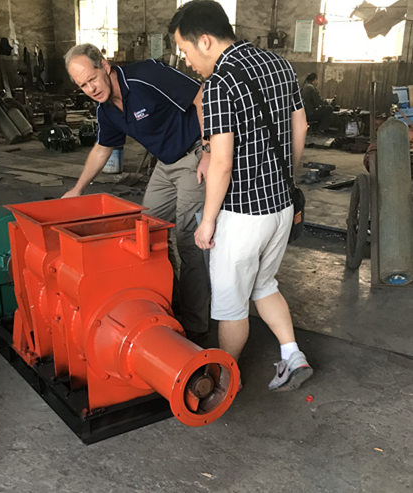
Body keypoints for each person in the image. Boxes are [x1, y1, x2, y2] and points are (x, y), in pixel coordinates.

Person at [169, 0, 313, 391]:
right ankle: (292, 355)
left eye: (184, 50)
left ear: (204, 40)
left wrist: (208, 221)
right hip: (282, 207)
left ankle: (221, 381)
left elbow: (221, 162)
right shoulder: (279, 64)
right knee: (264, 284)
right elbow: (300, 127)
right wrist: (284, 176)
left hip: (243, 214)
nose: (187, 61)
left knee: (231, 306)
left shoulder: (219, 83)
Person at [62, 43, 210, 343]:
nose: (91, 89)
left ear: (105, 66)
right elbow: (102, 148)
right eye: (83, 86)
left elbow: (202, 95)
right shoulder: (106, 110)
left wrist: (209, 149)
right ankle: (170, 305)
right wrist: (77, 189)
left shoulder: (147, 75)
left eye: (92, 79)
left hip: (194, 156)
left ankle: (196, 325)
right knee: (146, 233)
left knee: (188, 241)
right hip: (165, 164)